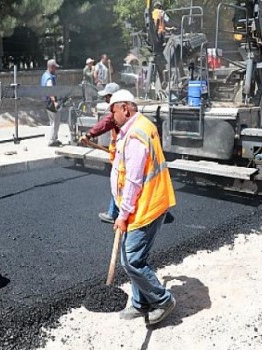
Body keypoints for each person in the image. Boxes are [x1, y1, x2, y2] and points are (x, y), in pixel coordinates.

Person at [108, 89, 177, 325]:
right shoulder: (140, 126)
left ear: (125, 109)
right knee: (135, 256)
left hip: (144, 205)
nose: (112, 115)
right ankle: (140, 303)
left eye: (113, 110)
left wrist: (123, 213)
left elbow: (134, 180)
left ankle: (163, 300)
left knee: (132, 260)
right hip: (148, 201)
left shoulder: (136, 135)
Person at [78, 82, 121, 224]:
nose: (105, 100)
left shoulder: (118, 112)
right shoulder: (129, 108)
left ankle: (113, 213)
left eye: (107, 97)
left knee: (118, 182)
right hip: (127, 151)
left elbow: (106, 122)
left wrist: (89, 134)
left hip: (123, 154)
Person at [41, 59, 62, 147]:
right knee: (55, 121)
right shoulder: (49, 78)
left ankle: (54, 138)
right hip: (51, 102)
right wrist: (55, 102)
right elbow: (50, 91)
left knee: (53, 121)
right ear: (51, 67)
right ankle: (52, 140)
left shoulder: (44, 75)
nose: (55, 70)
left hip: (46, 101)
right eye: (55, 68)